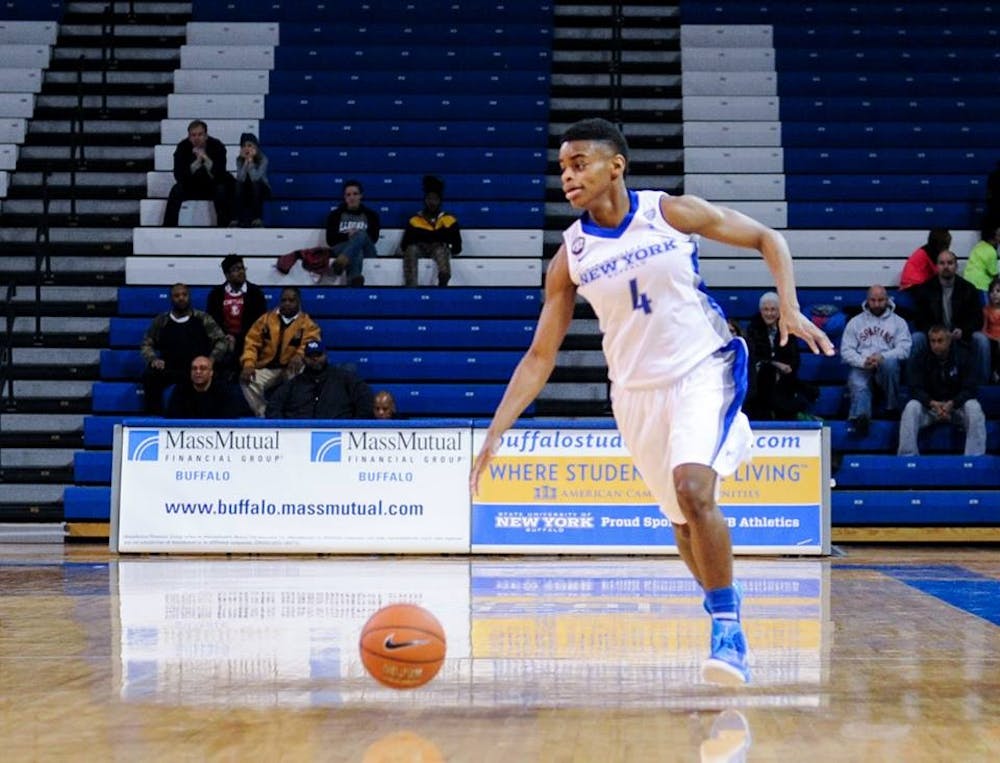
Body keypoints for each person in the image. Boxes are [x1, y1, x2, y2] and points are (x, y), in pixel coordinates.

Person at [469, 118, 834, 686]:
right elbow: (541, 356)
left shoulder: (670, 213)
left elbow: (770, 238)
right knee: (682, 521)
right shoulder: (571, 255)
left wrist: (788, 305)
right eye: (563, 167)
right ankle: (722, 608)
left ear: (615, 165)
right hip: (635, 394)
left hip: (702, 367)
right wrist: (496, 429)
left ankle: (728, 629)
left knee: (694, 488)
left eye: (580, 163)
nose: (568, 176)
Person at [898, 324, 986, 456]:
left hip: (956, 409)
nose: (936, 345)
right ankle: (907, 457)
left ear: (949, 340)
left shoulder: (964, 355)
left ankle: (974, 457)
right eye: (932, 341)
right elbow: (915, 389)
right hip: (931, 409)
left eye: (940, 341)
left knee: (974, 407)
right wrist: (931, 403)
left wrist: (953, 403)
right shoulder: (921, 357)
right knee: (911, 407)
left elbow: (971, 388)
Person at [139, 283, 227, 415]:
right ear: (171, 299)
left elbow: (221, 340)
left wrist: (211, 359)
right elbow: (146, 344)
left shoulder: (202, 318)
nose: (181, 298)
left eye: (184, 295)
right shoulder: (161, 320)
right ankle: (154, 418)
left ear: (189, 297)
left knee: (220, 377)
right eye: (177, 295)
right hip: (170, 368)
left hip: (196, 369)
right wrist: (153, 359)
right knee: (150, 376)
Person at [909, 249, 991, 385]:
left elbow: (977, 318)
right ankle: (914, 385)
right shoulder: (925, 289)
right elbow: (919, 318)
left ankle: (982, 387)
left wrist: (963, 330)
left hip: (960, 336)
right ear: (936, 266)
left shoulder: (969, 289)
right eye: (942, 263)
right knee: (916, 339)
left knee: (981, 340)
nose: (946, 266)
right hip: (934, 336)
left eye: (950, 263)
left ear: (956, 266)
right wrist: (933, 330)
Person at [840, 284, 912, 435]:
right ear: (867, 300)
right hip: (862, 366)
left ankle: (891, 407)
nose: (877, 304)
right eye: (873, 300)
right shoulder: (855, 322)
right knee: (857, 379)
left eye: (881, 300)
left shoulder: (898, 322)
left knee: (890, 364)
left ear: (887, 300)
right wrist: (862, 361)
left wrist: (883, 357)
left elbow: (905, 349)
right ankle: (861, 417)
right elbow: (846, 350)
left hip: (887, 367)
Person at [239, 286, 322, 417]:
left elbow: (310, 342)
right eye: (284, 300)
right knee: (247, 380)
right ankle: (265, 414)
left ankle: (294, 415)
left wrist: (299, 355)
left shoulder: (307, 324)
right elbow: (251, 343)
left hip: (292, 368)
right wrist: (248, 364)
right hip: (267, 368)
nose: (287, 303)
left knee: (301, 374)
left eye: (291, 300)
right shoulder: (265, 320)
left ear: (298, 302)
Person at [744, 291, 816, 421]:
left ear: (779, 312)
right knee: (766, 374)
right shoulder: (753, 328)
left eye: (773, 310)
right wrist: (775, 364)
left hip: (785, 378)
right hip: (761, 378)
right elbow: (755, 357)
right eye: (765, 310)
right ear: (760, 311)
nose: (769, 313)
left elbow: (794, 359)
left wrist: (784, 368)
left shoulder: (788, 328)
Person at [265, 341, 374, 419]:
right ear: (304, 358)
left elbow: (366, 402)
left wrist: (353, 428)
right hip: (298, 439)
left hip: (338, 437)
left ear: (326, 355)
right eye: (310, 356)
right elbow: (273, 407)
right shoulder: (293, 384)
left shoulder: (345, 379)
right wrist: (286, 430)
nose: (314, 359)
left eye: (318, 355)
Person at [206, 254, 268, 381]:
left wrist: (237, 339)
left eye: (242, 268)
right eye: (235, 269)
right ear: (227, 275)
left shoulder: (255, 293)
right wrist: (225, 337)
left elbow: (259, 324)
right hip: (223, 340)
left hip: (248, 340)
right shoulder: (216, 294)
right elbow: (212, 322)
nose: (240, 272)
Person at [162, 119, 234, 227]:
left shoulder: (217, 146)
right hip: (191, 186)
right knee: (176, 190)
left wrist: (206, 159)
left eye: (200, 134)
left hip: (212, 185)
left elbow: (220, 174)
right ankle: (168, 227)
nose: (197, 138)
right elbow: (178, 175)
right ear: (189, 136)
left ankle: (224, 226)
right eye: (193, 135)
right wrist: (196, 164)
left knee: (222, 189)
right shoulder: (182, 147)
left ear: (206, 135)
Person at [400, 175, 462, 287]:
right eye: (429, 198)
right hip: (420, 249)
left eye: (435, 199)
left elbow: (457, 247)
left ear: (440, 201)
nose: (432, 202)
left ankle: (444, 277)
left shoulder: (449, 220)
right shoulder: (414, 220)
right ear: (425, 200)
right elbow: (405, 245)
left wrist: (442, 243)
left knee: (440, 249)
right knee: (411, 249)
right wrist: (433, 237)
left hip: (440, 249)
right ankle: (411, 285)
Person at [325, 179, 381, 287]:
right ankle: (354, 281)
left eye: (355, 194)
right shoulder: (335, 215)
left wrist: (356, 236)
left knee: (361, 234)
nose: (352, 197)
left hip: (367, 250)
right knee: (356, 251)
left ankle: (341, 262)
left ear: (361, 196)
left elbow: (374, 238)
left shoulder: (371, 215)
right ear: (345, 197)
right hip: (342, 247)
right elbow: (330, 240)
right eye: (348, 195)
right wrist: (347, 235)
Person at [165, 355, 243, 419]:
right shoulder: (180, 390)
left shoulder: (224, 391)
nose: (198, 372)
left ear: (211, 373)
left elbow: (230, 420)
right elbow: (173, 419)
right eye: (194, 369)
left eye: (203, 368)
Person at [232, 132, 270, 228]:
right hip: (246, 187)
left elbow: (255, 177)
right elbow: (240, 178)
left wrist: (251, 162)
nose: (247, 148)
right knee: (237, 185)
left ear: (256, 147)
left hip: (262, 188)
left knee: (256, 185)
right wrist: (245, 163)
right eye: (244, 146)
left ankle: (257, 218)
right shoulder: (239, 160)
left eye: (250, 145)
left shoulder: (263, 159)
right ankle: (236, 219)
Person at [962, 223, 999, 293]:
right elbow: (994, 274)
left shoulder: (979, 245)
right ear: (994, 237)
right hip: (981, 286)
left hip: (967, 284)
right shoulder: (991, 252)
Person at [984, 275, 1000, 383]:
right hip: (992, 339)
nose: (994, 294)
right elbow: (983, 330)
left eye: (998, 291)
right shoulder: (986, 310)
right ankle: (995, 373)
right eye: (992, 291)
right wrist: (995, 338)